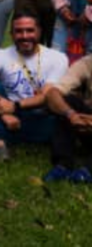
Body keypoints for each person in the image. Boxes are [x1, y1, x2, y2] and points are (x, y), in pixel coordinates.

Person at [0, 13, 67, 161]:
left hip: (41, 115)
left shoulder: (58, 58)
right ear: (11, 34)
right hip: (9, 118)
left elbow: (47, 95)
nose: (24, 36)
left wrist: (15, 106)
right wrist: (2, 112)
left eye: (30, 30)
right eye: (19, 31)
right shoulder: (1, 55)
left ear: (39, 31)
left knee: (61, 105)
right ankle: (0, 146)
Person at [44, 53, 92, 182]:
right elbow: (53, 93)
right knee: (66, 101)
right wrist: (71, 114)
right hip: (86, 122)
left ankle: (88, 170)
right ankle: (63, 164)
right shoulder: (87, 63)